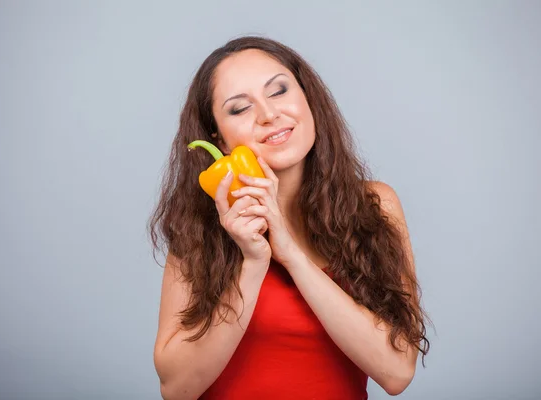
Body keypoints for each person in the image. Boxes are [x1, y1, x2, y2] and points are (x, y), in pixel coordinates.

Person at [149, 36, 431, 400]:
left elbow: (396, 372)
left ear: (307, 96)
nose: (269, 114)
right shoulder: (198, 228)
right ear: (218, 138)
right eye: (239, 109)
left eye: (279, 91)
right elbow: (177, 389)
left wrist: (291, 255)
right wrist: (253, 262)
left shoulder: (375, 204)